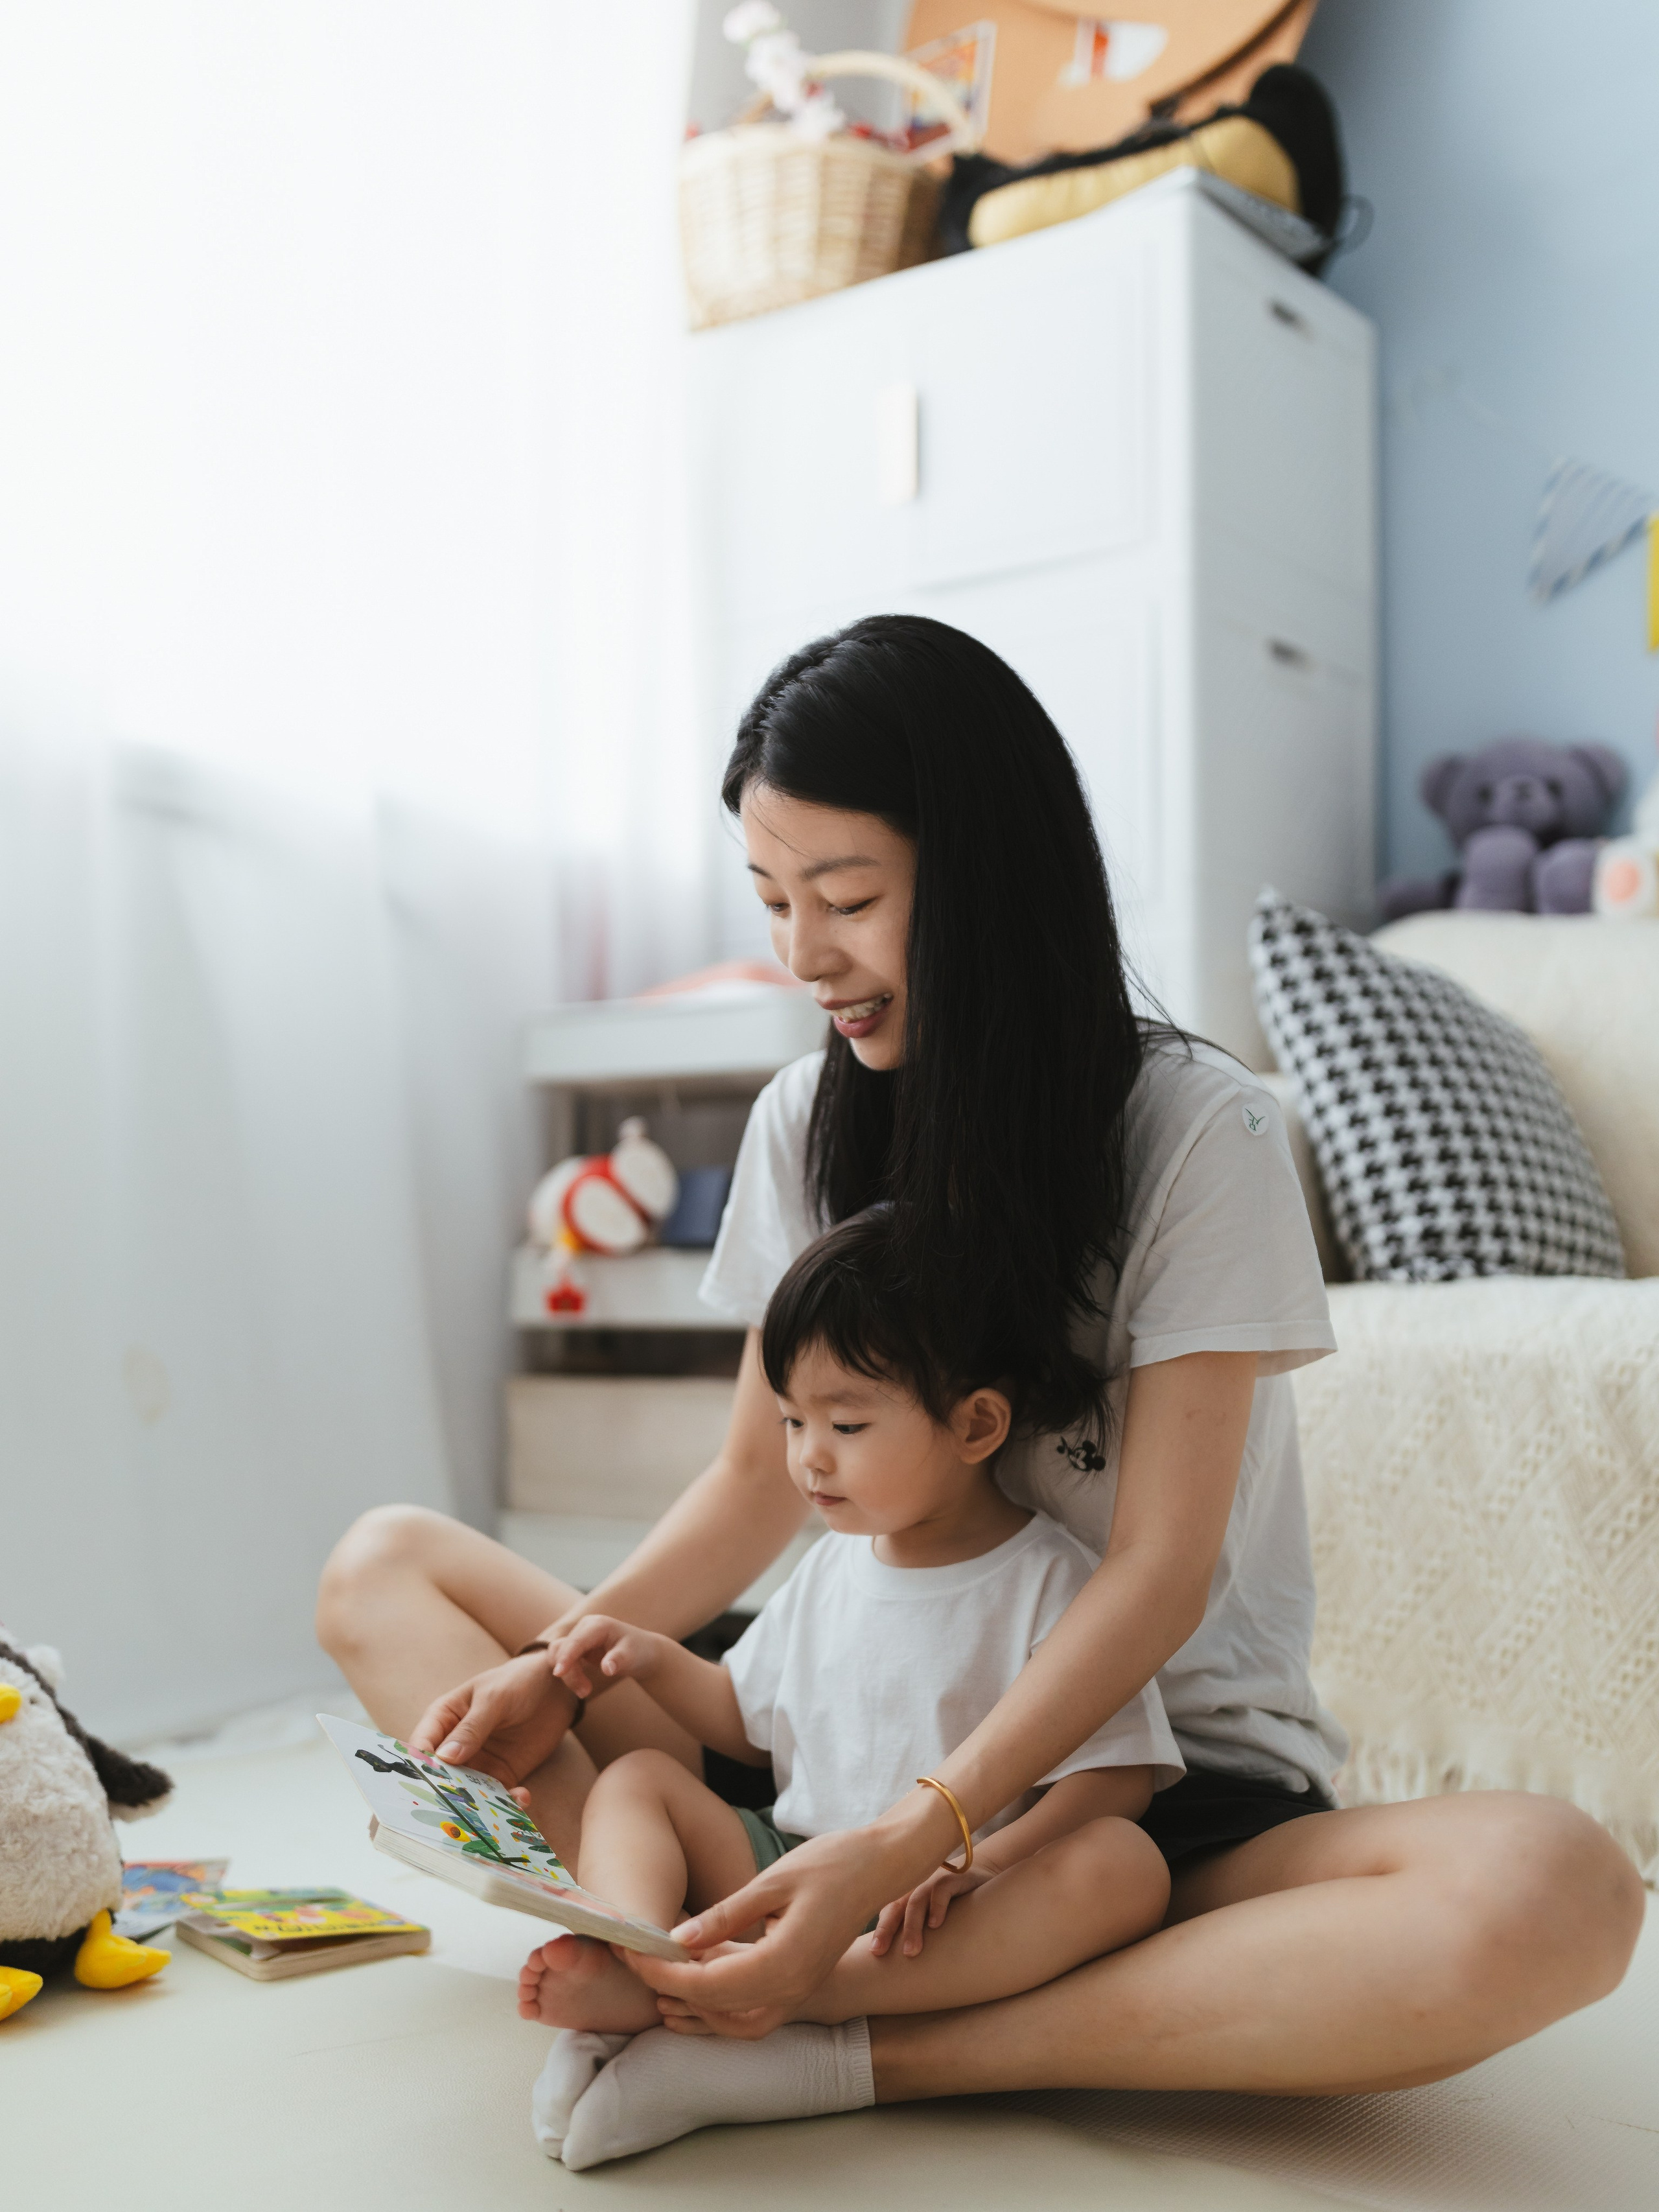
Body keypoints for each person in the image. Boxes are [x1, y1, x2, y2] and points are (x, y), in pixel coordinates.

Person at [317, 615, 1642, 2152]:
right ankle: (722, 1955)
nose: (803, 956)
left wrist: (909, 1843)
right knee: (386, 1569)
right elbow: (756, 1483)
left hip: (1131, 1784)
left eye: (849, 900)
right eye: (771, 902)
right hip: (842, 1724)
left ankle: (819, 2039)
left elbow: (1156, 1575)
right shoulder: (800, 1123)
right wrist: (561, 1662)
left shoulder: (1189, 1134)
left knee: (1556, 1890)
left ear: (982, 884)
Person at [520, 1210, 1183, 2167]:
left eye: (846, 1423)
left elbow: (1113, 1781)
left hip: (934, 1922)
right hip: (780, 1867)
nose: (807, 1457)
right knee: (638, 1784)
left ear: (976, 1422)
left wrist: (982, 1867)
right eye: (792, 1421)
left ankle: (794, 1994)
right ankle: (652, 1955)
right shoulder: (831, 1567)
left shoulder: (1051, 1579)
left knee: (1127, 1865)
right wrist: (657, 1658)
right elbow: (747, 1730)